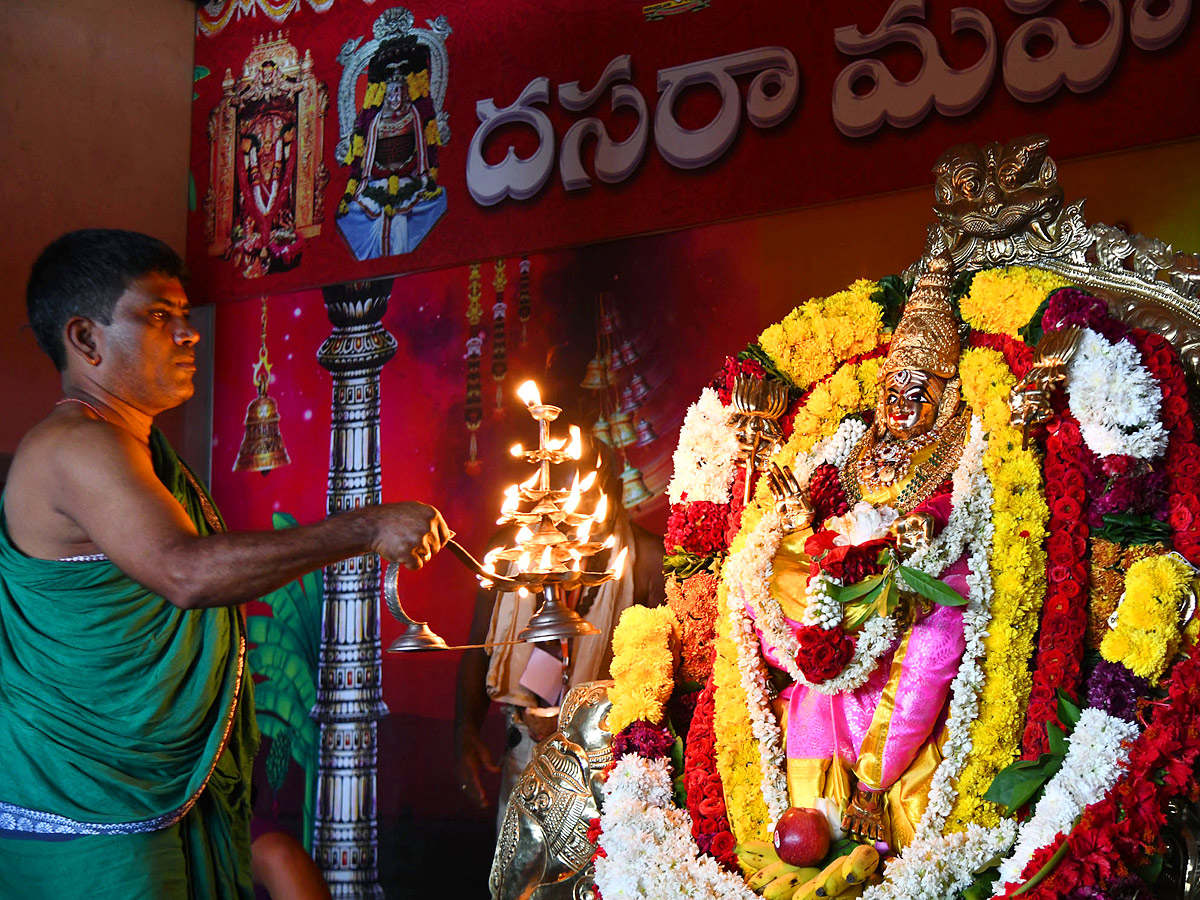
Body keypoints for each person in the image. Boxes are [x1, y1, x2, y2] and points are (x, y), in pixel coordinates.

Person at [0, 229, 450, 898]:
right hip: (88, 818)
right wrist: (365, 526)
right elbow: (187, 573)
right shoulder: (76, 445)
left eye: (185, 317)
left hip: (145, 806)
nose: (189, 335)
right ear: (85, 339)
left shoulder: (140, 454)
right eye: (159, 316)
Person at [453, 438, 664, 826]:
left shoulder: (647, 559)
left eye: (588, 497)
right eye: (565, 499)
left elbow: (662, 674)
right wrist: (465, 732)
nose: (576, 516)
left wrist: (584, 722)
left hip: (609, 766)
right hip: (524, 752)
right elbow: (478, 651)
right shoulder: (510, 553)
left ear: (613, 494)